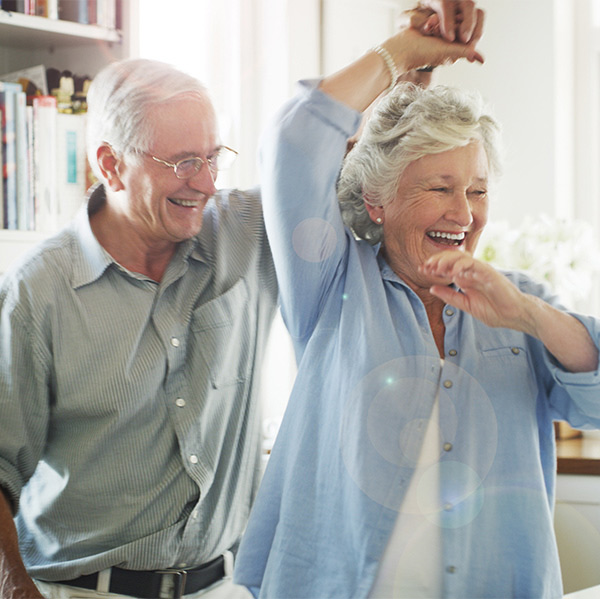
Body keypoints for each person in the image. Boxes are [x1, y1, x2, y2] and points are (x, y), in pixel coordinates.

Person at [233, 8, 600, 599]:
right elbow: (295, 140)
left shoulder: (521, 302)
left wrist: (528, 315)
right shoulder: (331, 285)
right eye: (438, 188)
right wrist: (400, 54)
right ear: (377, 202)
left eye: (477, 190)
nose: (464, 213)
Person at [0, 58, 277, 599]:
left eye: (213, 156)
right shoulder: (37, 293)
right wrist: (13, 588)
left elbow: (331, 161)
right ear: (111, 164)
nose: (206, 181)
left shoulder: (243, 232)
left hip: (223, 586)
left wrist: (409, 61)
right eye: (184, 162)